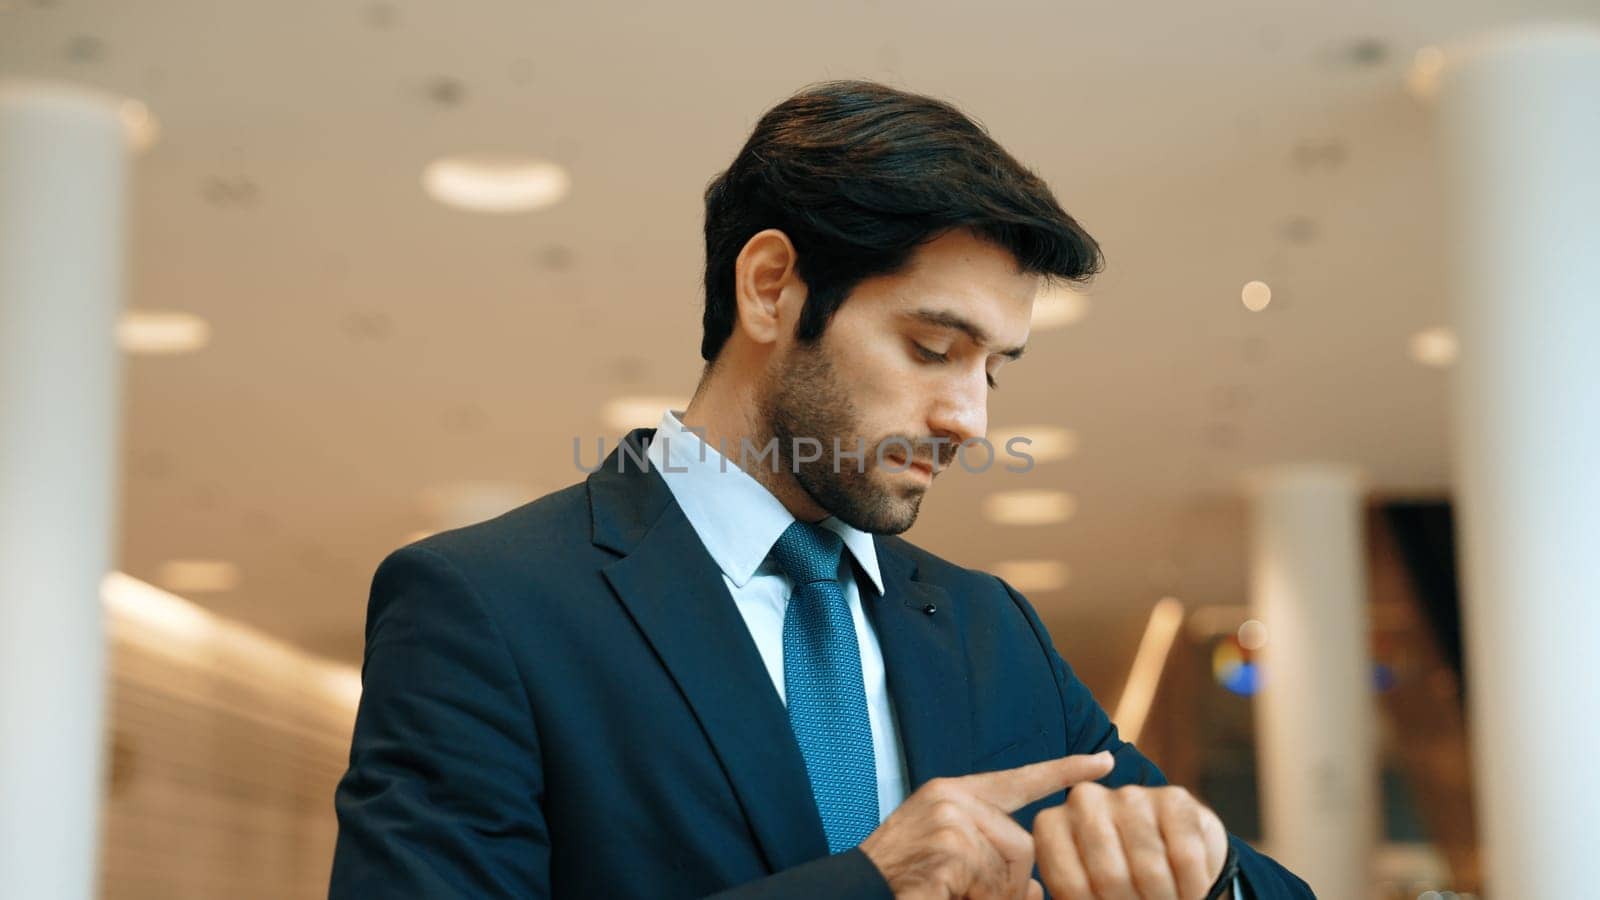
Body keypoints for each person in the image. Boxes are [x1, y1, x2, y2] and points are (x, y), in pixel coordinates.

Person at [330, 80, 1314, 899]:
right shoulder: (486, 606)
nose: (969, 418)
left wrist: (1206, 866)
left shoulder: (985, 629)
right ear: (770, 287)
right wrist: (866, 886)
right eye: (933, 348)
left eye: (993, 368)